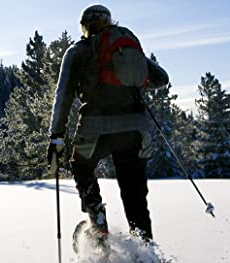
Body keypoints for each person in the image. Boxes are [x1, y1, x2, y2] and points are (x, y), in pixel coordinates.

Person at [46, 4, 169, 242]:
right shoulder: (124, 47)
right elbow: (161, 79)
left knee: (81, 167)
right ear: (109, 22)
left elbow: (64, 96)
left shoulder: (78, 51)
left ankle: (97, 220)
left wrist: (56, 136)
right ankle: (145, 255)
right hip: (135, 130)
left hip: (95, 128)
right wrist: (134, 80)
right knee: (135, 196)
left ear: (85, 27)